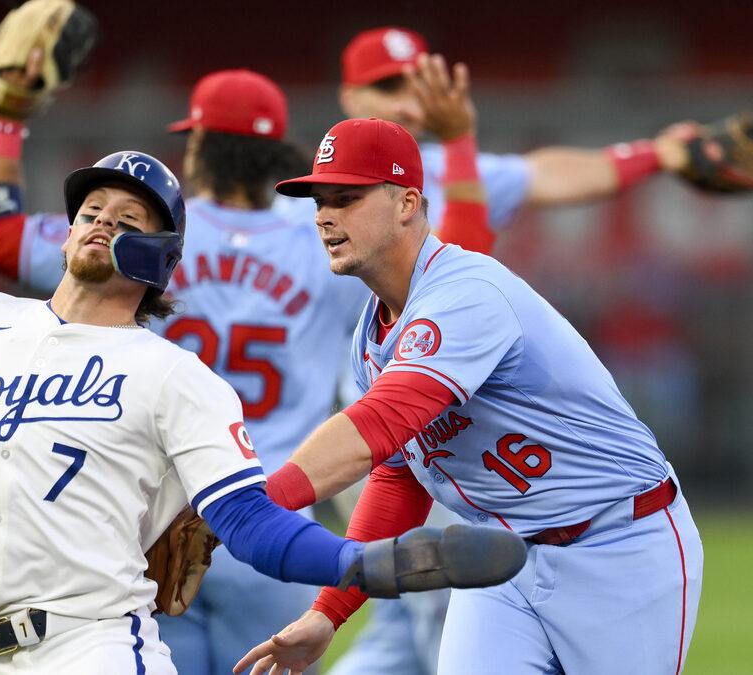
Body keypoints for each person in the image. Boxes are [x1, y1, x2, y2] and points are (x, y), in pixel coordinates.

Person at [0, 154, 522, 673]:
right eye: (92, 210)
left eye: (128, 221)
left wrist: (375, 564)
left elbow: (248, 521)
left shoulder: (173, 376)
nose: (101, 221)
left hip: (95, 650)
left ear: (160, 259)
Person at [0, 55, 494, 674]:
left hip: (153, 522)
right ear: (277, 155)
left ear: (197, 149)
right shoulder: (323, 237)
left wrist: (6, 120)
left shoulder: (147, 237)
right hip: (272, 521)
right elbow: (458, 258)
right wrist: (458, 143)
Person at [234, 118, 703, 675]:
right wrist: (329, 613)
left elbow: (378, 424)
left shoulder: (465, 294)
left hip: (620, 545)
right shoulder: (374, 334)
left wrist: (247, 508)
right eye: (318, 201)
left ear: (407, 202)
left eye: (346, 197)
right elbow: (397, 475)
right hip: (502, 560)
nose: (325, 216)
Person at [338, 25, 698, 231]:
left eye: (418, 85)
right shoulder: (308, 192)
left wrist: (657, 154)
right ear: (349, 99)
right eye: (386, 88)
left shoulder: (440, 169)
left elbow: (545, 175)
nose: (406, 103)